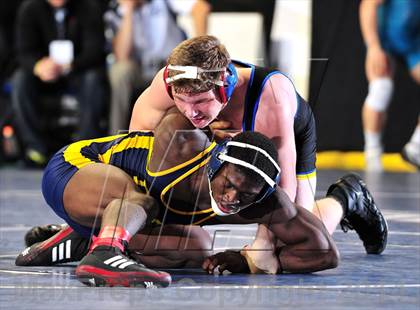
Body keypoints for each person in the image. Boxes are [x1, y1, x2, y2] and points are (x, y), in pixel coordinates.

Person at [16, 109, 387, 287]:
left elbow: (322, 252)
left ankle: (86, 238)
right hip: (76, 169)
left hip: (117, 210)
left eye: (245, 195)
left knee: (195, 251)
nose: (231, 198)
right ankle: (103, 252)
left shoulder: (263, 200)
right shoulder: (182, 149)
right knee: (141, 200)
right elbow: (169, 114)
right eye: (229, 184)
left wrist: (245, 260)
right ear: (213, 167)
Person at [127, 35, 387, 262]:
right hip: (222, 141)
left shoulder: (270, 98)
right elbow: (135, 142)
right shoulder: (170, 80)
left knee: (292, 240)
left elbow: (283, 188)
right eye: (180, 100)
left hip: (285, 140)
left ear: (223, 88)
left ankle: (347, 196)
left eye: (200, 101)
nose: (189, 110)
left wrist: (263, 244)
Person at [12, 0, 108, 165]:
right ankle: (36, 148)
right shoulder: (30, 8)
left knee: (94, 79)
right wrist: (38, 66)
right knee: (20, 80)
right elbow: (23, 51)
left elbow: (95, 50)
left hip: (78, 70)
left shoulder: (89, 7)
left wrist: (69, 65)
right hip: (43, 74)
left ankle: (84, 148)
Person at [105, 0, 211, 134]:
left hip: (171, 65)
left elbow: (201, 8)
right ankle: (117, 140)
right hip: (138, 68)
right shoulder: (116, 11)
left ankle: (192, 136)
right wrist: (129, 10)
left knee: (192, 70)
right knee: (120, 71)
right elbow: (121, 55)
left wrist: (201, 51)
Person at [359, 0, 420, 171]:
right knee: (381, 89)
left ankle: (416, 148)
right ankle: (372, 155)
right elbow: (368, 5)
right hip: (384, 40)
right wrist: (373, 47)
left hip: (412, 42)